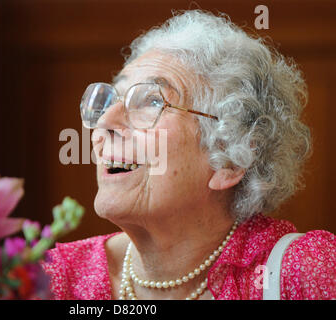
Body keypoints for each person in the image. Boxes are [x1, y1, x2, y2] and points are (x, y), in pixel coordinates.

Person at [42, 10, 336, 300]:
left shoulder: (304, 274)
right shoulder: (50, 280)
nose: (105, 122)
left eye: (153, 101)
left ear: (231, 159)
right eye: (111, 101)